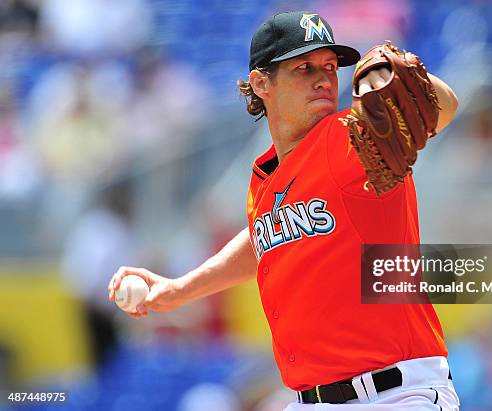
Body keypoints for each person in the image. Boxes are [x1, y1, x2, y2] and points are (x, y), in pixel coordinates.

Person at [108, 10, 460, 410]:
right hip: (311, 401)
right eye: (304, 68)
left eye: (330, 66)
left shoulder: (352, 140)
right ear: (261, 83)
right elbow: (264, 237)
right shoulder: (266, 176)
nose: (325, 78)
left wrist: (405, 77)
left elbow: (443, 108)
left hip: (396, 395)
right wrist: (177, 290)